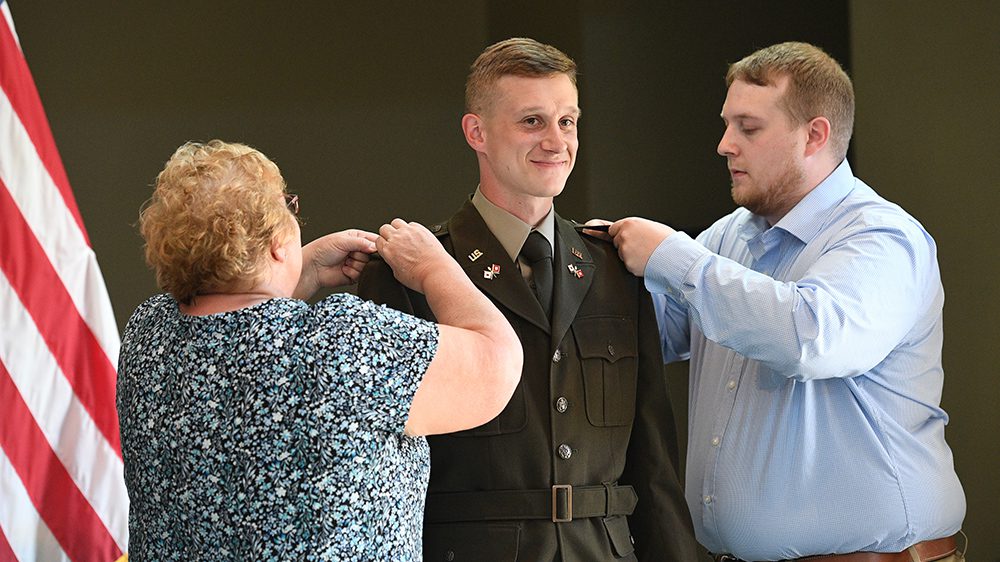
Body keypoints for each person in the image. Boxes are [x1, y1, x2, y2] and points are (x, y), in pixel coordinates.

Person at [599, 42, 966, 561]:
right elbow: (648, 333)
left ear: (814, 135)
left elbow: (813, 338)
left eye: (748, 128)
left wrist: (674, 257)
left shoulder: (882, 237)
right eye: (727, 125)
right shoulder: (729, 238)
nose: (725, 144)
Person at [358, 38, 697, 561]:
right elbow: (379, 468)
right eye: (532, 122)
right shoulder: (407, 273)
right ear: (477, 132)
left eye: (567, 121)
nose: (556, 141)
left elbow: (653, 459)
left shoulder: (614, 269)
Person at [116, 140, 523, 560]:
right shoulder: (339, 341)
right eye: (286, 207)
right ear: (276, 241)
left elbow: (234, 326)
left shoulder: (148, 333)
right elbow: (497, 362)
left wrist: (300, 269)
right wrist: (433, 267)